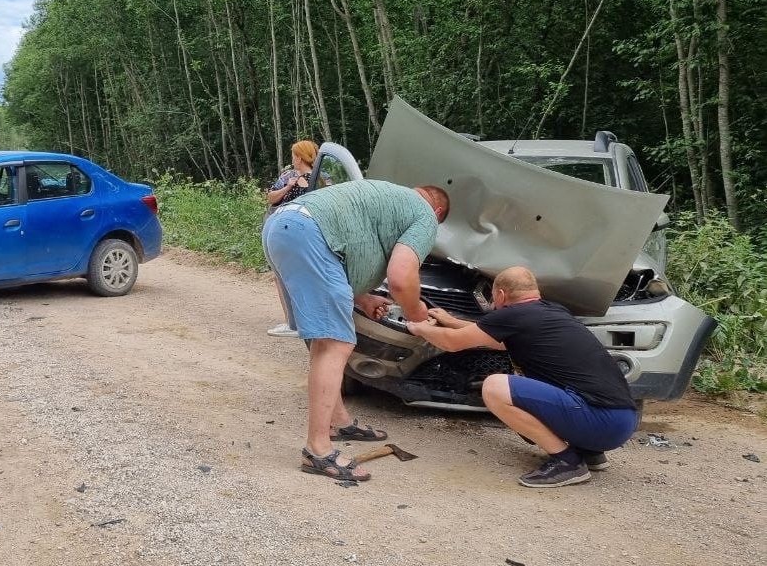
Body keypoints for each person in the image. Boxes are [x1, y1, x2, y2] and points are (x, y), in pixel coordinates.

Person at [263, 179, 450, 481]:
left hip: (283, 226)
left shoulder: (387, 198)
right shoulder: (425, 215)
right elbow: (401, 278)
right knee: (337, 343)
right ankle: (318, 451)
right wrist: (418, 318)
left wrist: (362, 298)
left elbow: (341, 249)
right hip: (307, 234)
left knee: (325, 339)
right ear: (438, 210)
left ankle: (339, 421)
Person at [406, 265, 639, 489]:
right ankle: (589, 453)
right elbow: (494, 338)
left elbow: (451, 343)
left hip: (599, 420)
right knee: (544, 384)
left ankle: (567, 462)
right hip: (621, 421)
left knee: (494, 387)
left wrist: (418, 328)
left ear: (500, 294)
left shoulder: (512, 315)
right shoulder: (552, 311)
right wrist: (452, 321)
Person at [265, 140, 320, 338]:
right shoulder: (289, 176)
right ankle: (293, 320)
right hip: (287, 229)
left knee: (287, 275)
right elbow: (271, 197)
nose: (293, 159)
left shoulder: (322, 178)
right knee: (286, 274)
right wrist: (287, 187)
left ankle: (296, 323)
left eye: (295, 155)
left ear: (301, 156)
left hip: (300, 232)